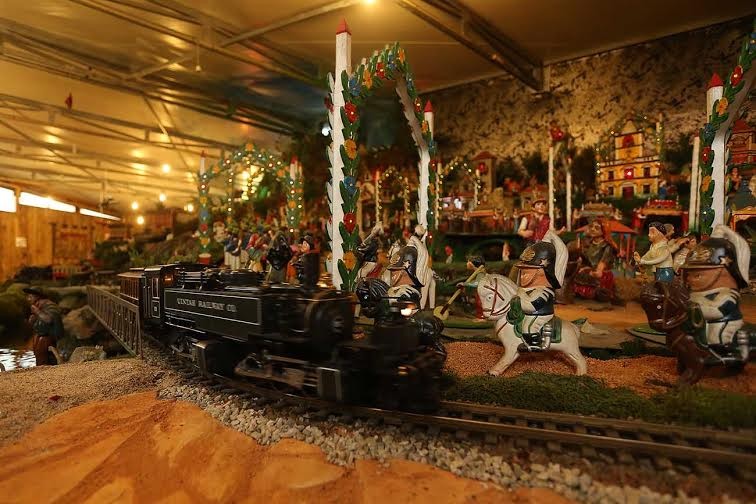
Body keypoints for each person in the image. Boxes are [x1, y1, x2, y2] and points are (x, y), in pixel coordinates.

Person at [680, 225, 750, 372]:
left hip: (723, 323)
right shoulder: (695, 293)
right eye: (689, 275)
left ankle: (725, 355)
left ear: (722, 272)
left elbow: (718, 311)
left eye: (697, 275)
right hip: (699, 325)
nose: (690, 280)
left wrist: (694, 309)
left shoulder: (727, 295)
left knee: (716, 336)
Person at [508, 231, 567, 352]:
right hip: (527, 313)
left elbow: (530, 307)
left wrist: (518, 297)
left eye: (527, 272)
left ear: (542, 272)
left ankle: (536, 345)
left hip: (540, 315)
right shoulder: (524, 289)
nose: (523, 276)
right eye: (523, 272)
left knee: (529, 327)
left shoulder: (544, 292)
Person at [24, 287, 63, 365]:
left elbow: (49, 319)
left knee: (46, 358)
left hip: (50, 337)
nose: (28, 299)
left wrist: (37, 312)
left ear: (37, 296)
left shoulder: (50, 305)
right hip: (41, 337)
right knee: (40, 356)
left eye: (30, 296)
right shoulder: (37, 306)